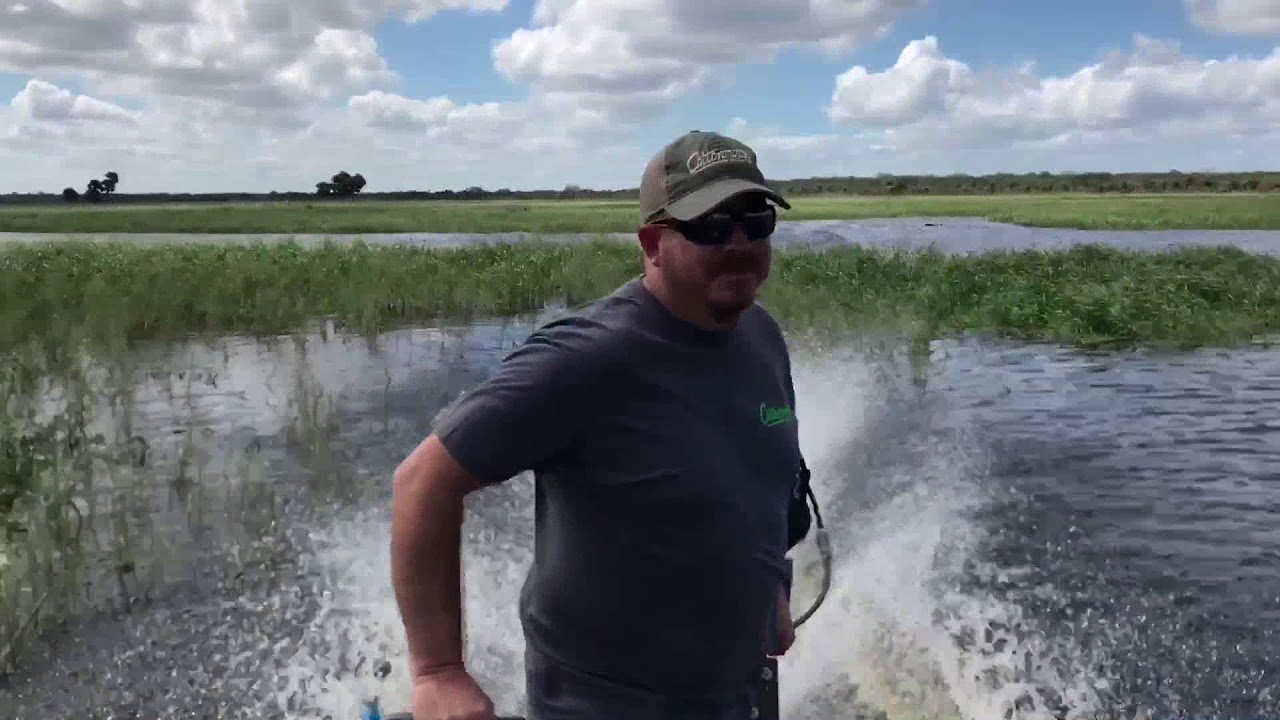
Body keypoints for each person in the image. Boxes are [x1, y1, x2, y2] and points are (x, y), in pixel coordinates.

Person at [390, 130, 815, 720]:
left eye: (755, 219)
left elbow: (762, 474)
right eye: (710, 226)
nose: (739, 243)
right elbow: (423, 482)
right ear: (652, 244)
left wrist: (770, 586)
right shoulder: (586, 359)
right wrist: (438, 672)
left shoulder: (761, 335)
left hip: (733, 689)